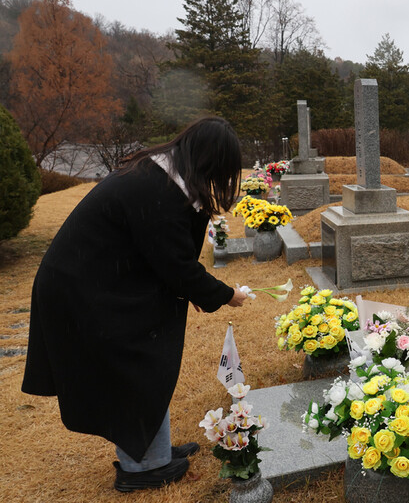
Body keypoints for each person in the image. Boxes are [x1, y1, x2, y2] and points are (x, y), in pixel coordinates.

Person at [21, 117, 250, 492]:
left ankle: (152, 450)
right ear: (208, 161)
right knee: (135, 364)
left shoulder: (162, 175)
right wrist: (226, 295)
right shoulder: (155, 189)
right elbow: (175, 265)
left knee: (147, 359)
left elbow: (168, 257)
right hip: (81, 288)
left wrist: (192, 288)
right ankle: (141, 467)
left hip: (97, 279)